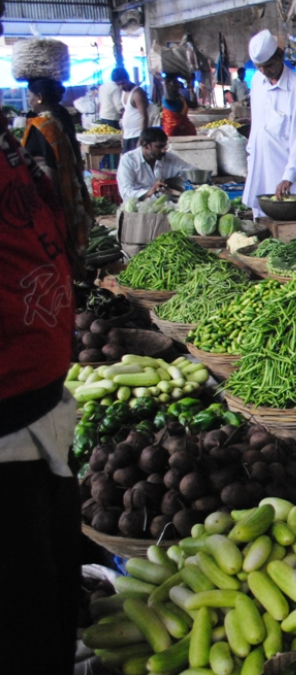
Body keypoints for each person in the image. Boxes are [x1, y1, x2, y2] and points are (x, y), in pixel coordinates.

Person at [0, 105, 82, 675]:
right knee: (21, 603)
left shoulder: (15, 149)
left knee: (49, 582)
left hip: (39, 405)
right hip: (7, 430)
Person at [241, 30, 296, 218]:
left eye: (267, 66)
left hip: (286, 171)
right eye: (258, 67)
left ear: (279, 56)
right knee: (261, 222)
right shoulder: (258, 82)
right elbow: (257, 127)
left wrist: (289, 177)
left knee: (288, 219)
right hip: (260, 167)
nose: (264, 71)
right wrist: (250, 159)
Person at [23, 77, 91, 264]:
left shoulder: (44, 125)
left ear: (40, 97)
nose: (28, 100)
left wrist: (47, 202)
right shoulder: (62, 116)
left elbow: (50, 166)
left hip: (54, 193)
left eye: (30, 96)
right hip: (71, 187)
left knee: (59, 246)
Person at [117, 128, 196, 203]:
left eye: (165, 147)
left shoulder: (168, 157)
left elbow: (192, 171)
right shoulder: (128, 160)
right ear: (146, 146)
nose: (163, 150)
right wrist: (149, 192)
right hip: (138, 206)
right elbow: (125, 193)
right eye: (159, 147)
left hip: (164, 204)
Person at [119, 71, 151, 153]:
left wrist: (142, 138)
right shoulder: (124, 92)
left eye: (123, 83)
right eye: (118, 84)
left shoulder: (137, 93)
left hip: (137, 135)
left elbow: (144, 117)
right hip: (127, 135)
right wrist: (123, 135)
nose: (121, 86)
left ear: (127, 79)